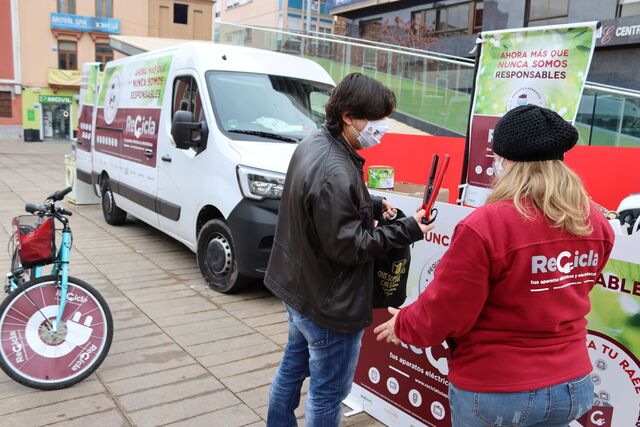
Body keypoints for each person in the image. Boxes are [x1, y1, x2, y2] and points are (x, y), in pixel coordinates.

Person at [374, 105, 615, 427]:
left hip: (498, 388)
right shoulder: (594, 222)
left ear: (508, 161)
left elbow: (449, 306)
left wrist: (404, 324)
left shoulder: (488, 224)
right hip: (573, 386)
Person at [264, 73, 433, 426]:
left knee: (292, 369)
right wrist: (408, 229)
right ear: (349, 115)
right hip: (329, 304)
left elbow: (321, 205)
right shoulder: (337, 168)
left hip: (299, 288)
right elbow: (350, 247)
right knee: (327, 394)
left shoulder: (316, 143)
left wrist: (369, 203)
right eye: (375, 119)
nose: (381, 128)